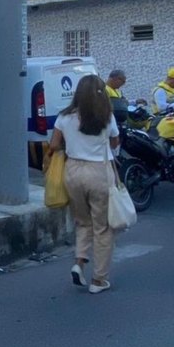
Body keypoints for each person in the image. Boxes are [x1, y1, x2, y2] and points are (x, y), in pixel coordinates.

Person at [48, 75, 120, 294]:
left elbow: (54, 144)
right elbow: (115, 142)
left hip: (73, 172)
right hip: (98, 171)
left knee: (82, 222)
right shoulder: (107, 117)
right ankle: (99, 280)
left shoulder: (64, 117)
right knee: (102, 227)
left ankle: (79, 262)